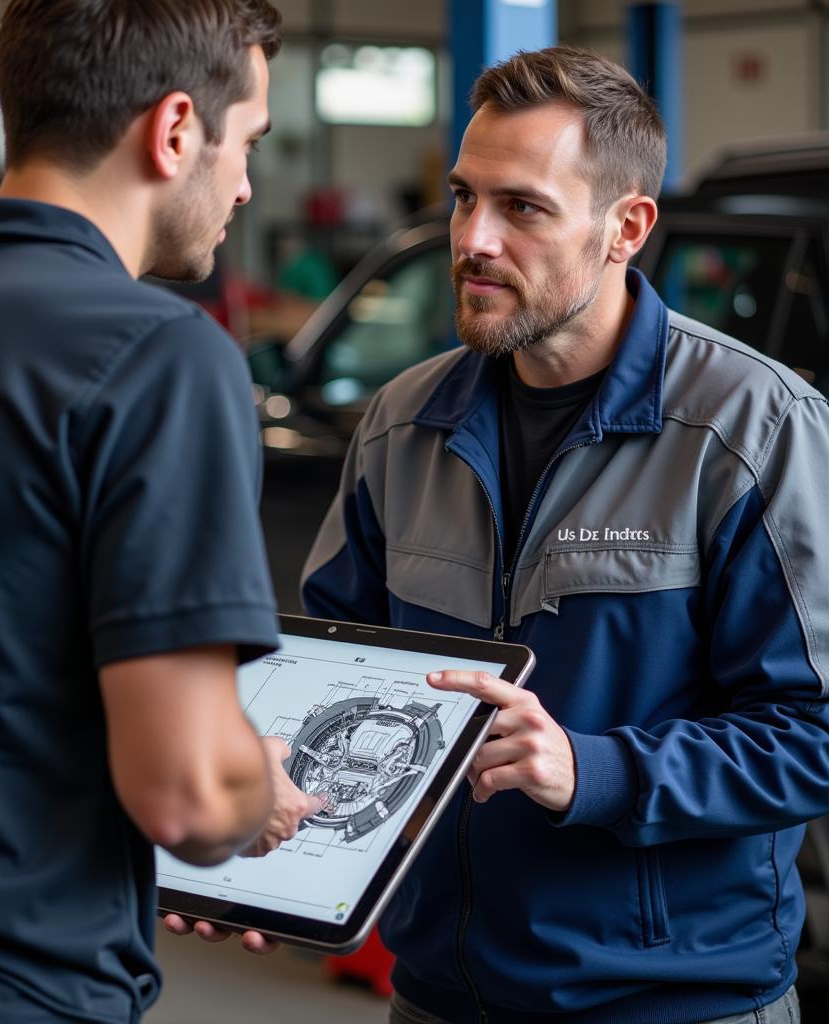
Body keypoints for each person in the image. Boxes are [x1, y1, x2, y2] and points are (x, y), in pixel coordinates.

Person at [0, 2, 322, 1022]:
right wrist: (252, 783)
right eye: (247, 142)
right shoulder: (162, 359)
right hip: (5, 987)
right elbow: (186, 791)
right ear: (177, 130)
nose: (247, 182)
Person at [301, 46, 829, 1023]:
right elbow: (333, 679)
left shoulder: (751, 434)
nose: (473, 238)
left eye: (523, 207)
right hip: (441, 997)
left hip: (673, 1003)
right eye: (463, 197)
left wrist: (595, 770)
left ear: (625, 227)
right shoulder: (400, 425)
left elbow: (813, 736)